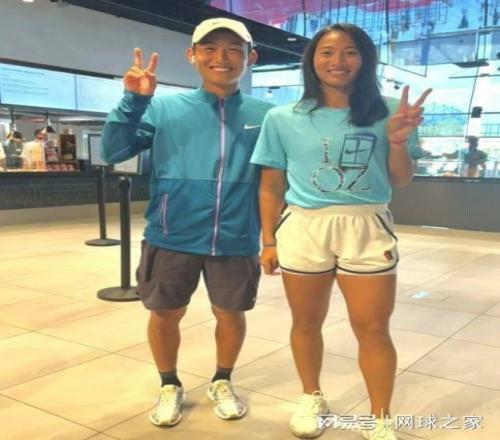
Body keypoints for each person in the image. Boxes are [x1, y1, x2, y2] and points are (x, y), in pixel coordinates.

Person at [251, 23, 431, 440]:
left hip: (366, 225)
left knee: (373, 328)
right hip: (304, 227)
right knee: (305, 322)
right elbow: (270, 186)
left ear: (365, 59)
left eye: (350, 52)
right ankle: (311, 396)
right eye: (327, 52)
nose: (338, 61)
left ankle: (380, 417)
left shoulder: (391, 111)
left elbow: (401, 179)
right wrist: (268, 240)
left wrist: (398, 142)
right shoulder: (282, 117)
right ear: (311, 60)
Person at [101, 18, 273, 428]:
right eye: (209, 48)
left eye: (233, 49)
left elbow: (278, 179)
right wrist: (132, 101)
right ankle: (168, 384)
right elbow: (113, 151)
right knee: (165, 313)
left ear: (250, 57)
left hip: (236, 236)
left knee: (231, 312)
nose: (221, 57)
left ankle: (222, 380)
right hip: (171, 233)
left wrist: (272, 236)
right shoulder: (162, 108)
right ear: (192, 55)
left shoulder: (267, 115)